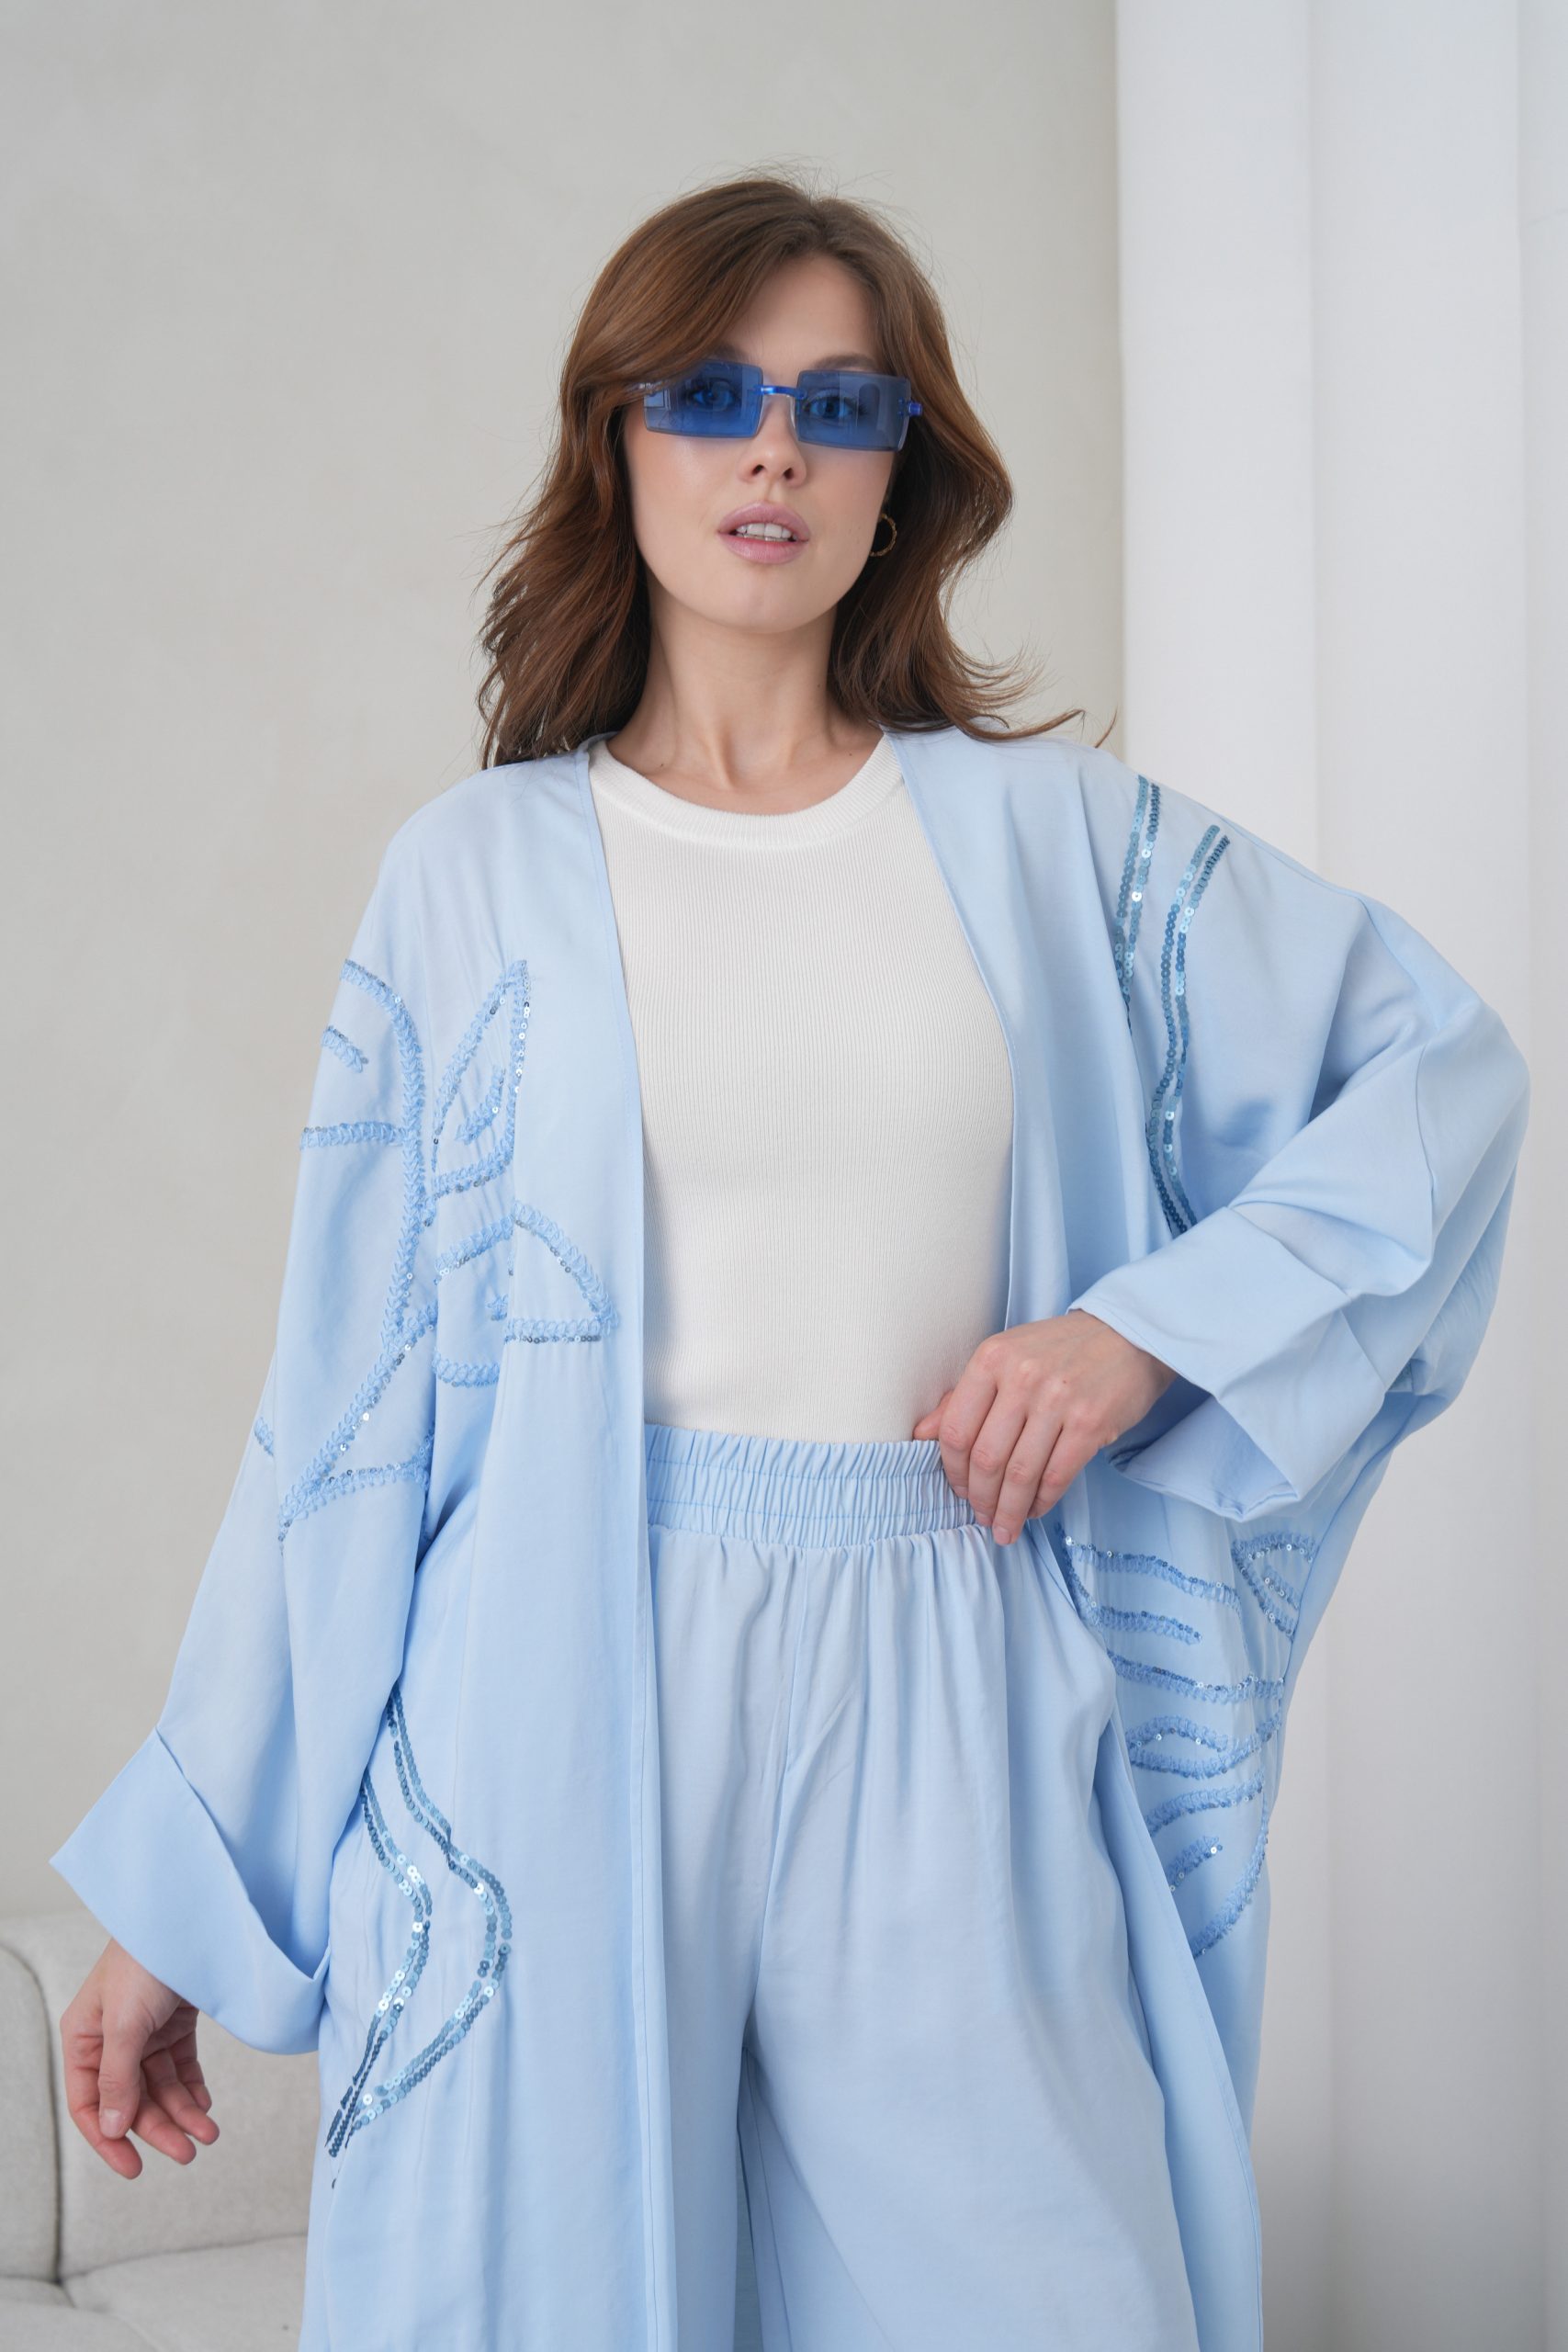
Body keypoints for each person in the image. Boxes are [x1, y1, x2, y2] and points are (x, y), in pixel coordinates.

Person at [51, 171, 1529, 2352]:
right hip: (547, 1677)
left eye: (838, 405)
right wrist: (183, 1896)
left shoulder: (1055, 843)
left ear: (898, 469)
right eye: (710, 393)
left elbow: (1435, 1074)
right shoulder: (471, 876)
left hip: (948, 1641)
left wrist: (1137, 1334)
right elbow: (347, 1422)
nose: (772, 450)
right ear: (615, 437)